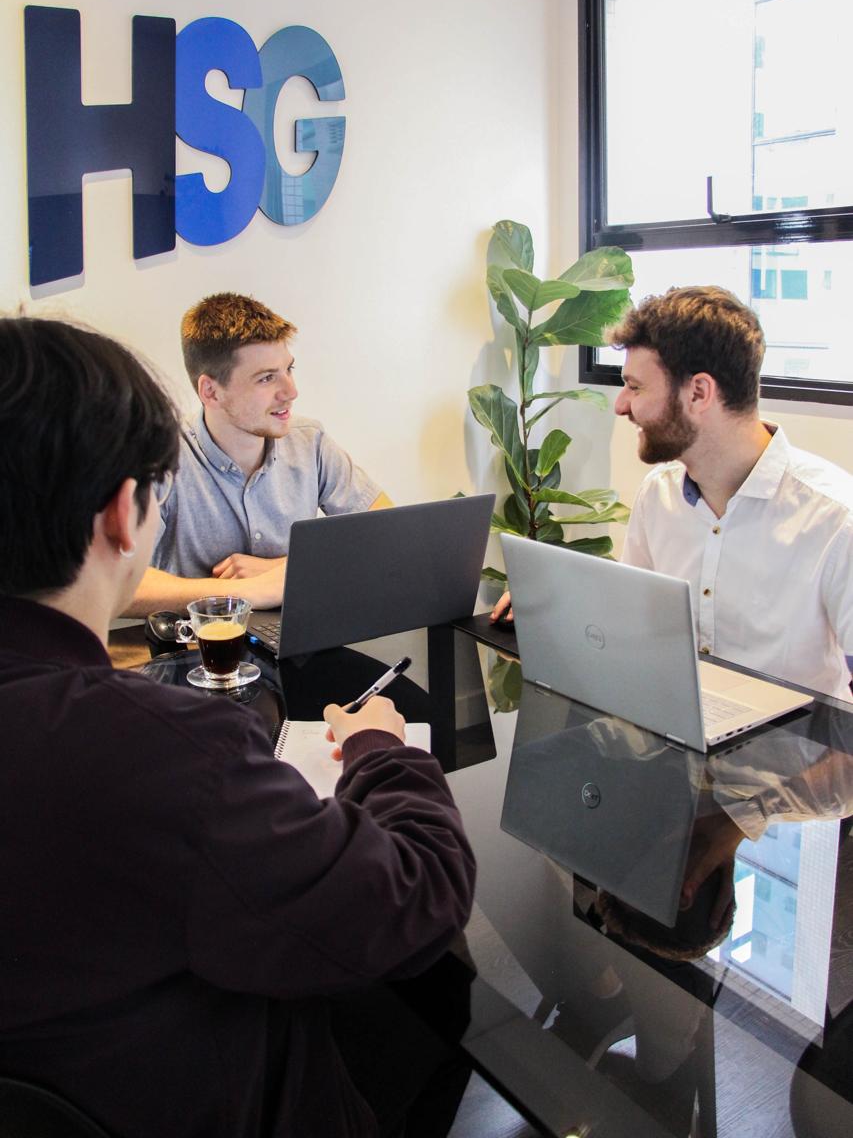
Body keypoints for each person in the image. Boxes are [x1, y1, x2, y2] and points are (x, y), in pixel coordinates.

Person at [0, 316, 475, 1138]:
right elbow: (420, 896)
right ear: (123, 516)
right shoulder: (166, 754)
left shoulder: (311, 445)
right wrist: (379, 749)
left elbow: (383, 527)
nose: (287, 389)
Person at [492, 286, 853, 700]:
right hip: (675, 726)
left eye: (635, 387)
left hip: (792, 742)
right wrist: (554, 606)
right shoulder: (658, 495)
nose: (621, 405)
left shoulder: (836, 519)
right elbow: (629, 618)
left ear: (698, 393)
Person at [130, 292, 391, 615]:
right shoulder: (157, 458)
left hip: (295, 634)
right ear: (211, 391)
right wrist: (242, 593)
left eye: (289, 369)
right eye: (267, 378)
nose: (291, 392)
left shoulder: (310, 441)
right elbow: (119, 584)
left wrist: (282, 569)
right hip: (200, 642)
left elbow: (388, 535)